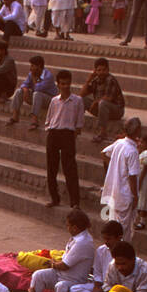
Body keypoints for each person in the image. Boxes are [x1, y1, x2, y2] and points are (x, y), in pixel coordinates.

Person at [26, 208, 95, 292]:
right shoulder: (77, 238)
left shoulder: (83, 242)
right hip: (60, 274)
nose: (67, 228)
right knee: (38, 275)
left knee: (61, 286)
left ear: (75, 227)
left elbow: (64, 265)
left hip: (73, 280)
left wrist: (52, 263)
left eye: (68, 225)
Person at [45, 70, 84, 209]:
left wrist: (72, 135)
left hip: (68, 134)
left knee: (70, 169)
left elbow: (79, 123)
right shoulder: (54, 101)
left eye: (67, 83)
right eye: (62, 84)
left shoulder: (77, 101)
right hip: (54, 133)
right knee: (52, 168)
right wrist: (50, 130)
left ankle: (75, 202)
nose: (65, 86)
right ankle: (54, 198)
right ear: (58, 84)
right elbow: (49, 119)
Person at [81, 58, 125, 146]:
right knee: (81, 100)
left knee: (102, 103)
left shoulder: (110, 80)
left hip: (116, 111)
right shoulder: (96, 80)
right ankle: (77, 125)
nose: (101, 72)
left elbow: (108, 98)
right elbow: (82, 93)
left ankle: (103, 133)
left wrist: (96, 102)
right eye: (99, 70)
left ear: (108, 70)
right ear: (95, 71)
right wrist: (89, 79)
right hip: (102, 109)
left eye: (104, 70)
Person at [8, 54, 55, 129]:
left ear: (39, 66)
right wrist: (25, 90)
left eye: (32, 66)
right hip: (36, 98)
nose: (30, 68)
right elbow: (24, 84)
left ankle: (34, 119)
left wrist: (33, 78)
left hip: (49, 99)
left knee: (37, 94)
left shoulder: (48, 76)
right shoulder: (31, 74)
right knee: (19, 91)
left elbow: (38, 88)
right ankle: (15, 115)